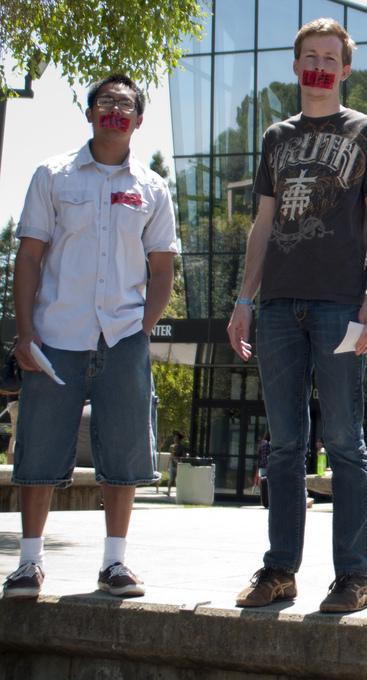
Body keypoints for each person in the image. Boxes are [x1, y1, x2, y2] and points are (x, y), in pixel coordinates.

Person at [226, 17, 367, 614]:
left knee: (346, 443)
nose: (321, 66)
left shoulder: (366, 132)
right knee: (283, 447)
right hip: (276, 307)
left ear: (345, 69)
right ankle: (280, 571)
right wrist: (245, 299)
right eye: (311, 57)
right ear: (297, 66)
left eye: (331, 57)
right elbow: (264, 225)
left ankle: (353, 576)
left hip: (339, 305)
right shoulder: (276, 137)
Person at [2, 74, 178, 600]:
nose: (115, 111)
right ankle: (28, 564)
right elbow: (29, 258)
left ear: (139, 121)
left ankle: (115, 564)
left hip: (121, 336)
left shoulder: (151, 188)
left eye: (126, 105)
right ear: (90, 113)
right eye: (106, 102)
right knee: (37, 449)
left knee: (122, 452)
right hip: (56, 334)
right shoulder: (52, 175)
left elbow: (163, 269)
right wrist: (26, 333)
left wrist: (140, 331)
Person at [166, 430, 189, 497]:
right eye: (174, 438)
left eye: (176, 438)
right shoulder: (171, 446)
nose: (175, 439)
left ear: (179, 439)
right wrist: (168, 464)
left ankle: (179, 493)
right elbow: (170, 456)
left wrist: (177, 458)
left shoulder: (182, 447)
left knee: (178, 480)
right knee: (171, 479)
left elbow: (184, 456)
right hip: (173, 465)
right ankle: (168, 492)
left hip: (179, 466)